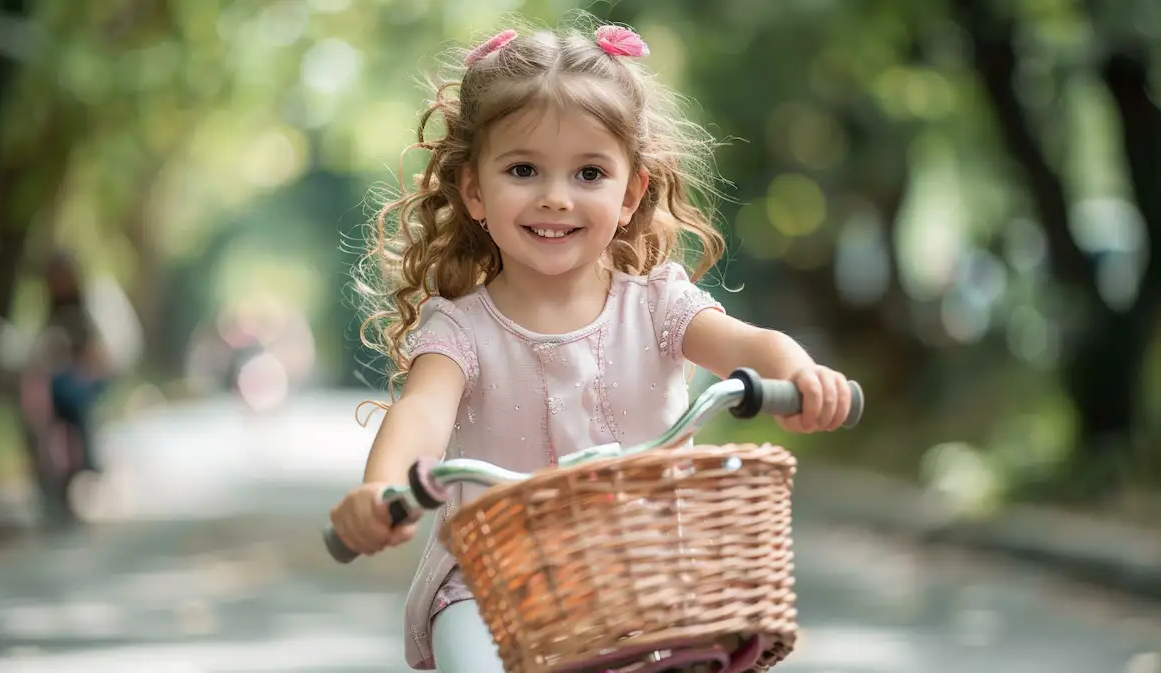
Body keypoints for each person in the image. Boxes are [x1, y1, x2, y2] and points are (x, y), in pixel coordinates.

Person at [330, 19, 855, 673]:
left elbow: (751, 346)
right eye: (523, 169)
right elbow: (421, 417)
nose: (555, 197)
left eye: (588, 173)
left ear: (630, 192)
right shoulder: (460, 330)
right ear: (473, 191)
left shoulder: (659, 304)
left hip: (649, 576)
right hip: (495, 586)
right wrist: (382, 489)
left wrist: (800, 376)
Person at [41, 249, 110, 475]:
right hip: (59, 375)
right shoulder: (52, 311)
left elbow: (97, 351)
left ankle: (86, 457)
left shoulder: (87, 305)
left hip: (87, 376)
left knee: (73, 395)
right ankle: (59, 464)